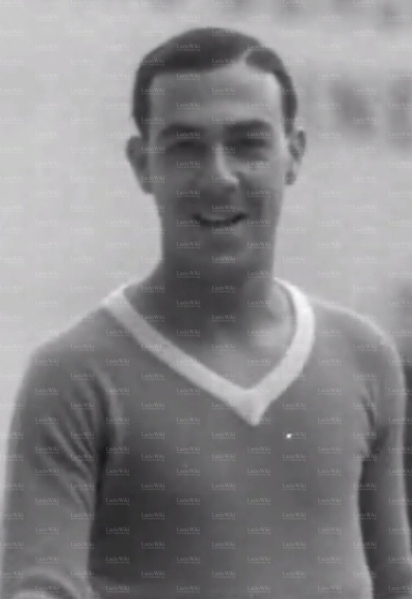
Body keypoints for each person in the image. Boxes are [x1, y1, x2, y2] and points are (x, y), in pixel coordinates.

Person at [1, 26, 412, 599]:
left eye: (247, 143)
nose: (219, 176)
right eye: (186, 147)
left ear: (293, 154)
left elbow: (395, 581)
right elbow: (39, 585)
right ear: (142, 164)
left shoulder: (363, 359)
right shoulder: (74, 377)